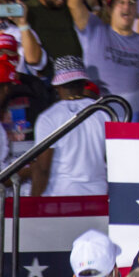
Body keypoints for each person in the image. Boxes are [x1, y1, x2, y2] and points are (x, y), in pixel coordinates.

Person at [31, 57, 102, 196]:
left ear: (57, 85)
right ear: (83, 82)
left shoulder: (48, 117)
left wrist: (32, 204)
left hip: (61, 196)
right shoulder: (103, 113)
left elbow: (43, 169)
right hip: (98, 193)